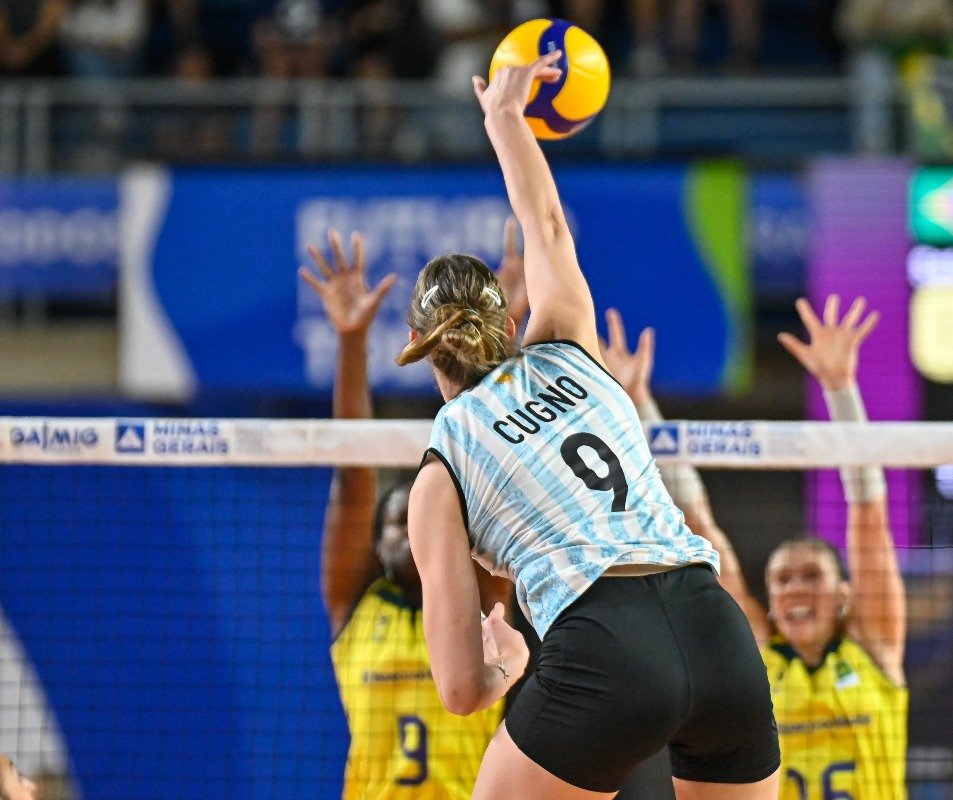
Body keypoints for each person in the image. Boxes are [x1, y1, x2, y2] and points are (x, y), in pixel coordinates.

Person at [393, 51, 780, 800]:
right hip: (715, 626)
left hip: (603, 649)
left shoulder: (439, 474)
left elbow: (461, 690)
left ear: (420, 350)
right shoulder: (569, 343)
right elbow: (546, 228)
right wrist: (506, 119)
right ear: (506, 320)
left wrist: (507, 658)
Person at [601, 297, 906, 800]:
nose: (795, 589)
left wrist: (840, 388)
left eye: (812, 575)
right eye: (783, 579)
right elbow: (699, 528)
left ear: (844, 595)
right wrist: (640, 404)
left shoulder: (874, 650)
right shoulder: (762, 658)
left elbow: (870, 520)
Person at [300, 226, 521, 800]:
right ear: (374, 544)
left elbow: (499, 448)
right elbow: (354, 478)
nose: (402, 531)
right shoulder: (355, 606)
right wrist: (352, 341)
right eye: (391, 522)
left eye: (412, 519)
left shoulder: (481, 600)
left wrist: (497, 337)